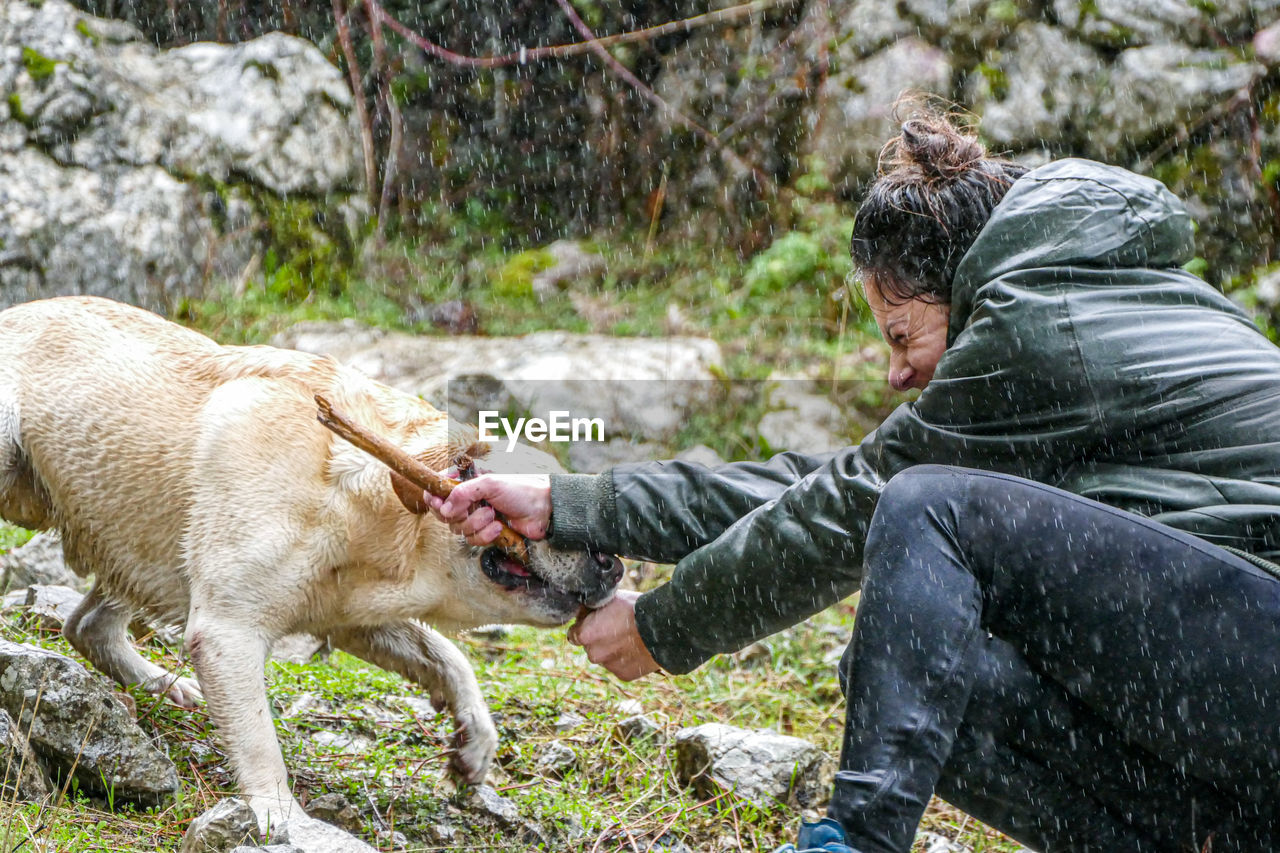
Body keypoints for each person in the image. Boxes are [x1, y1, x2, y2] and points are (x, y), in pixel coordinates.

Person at [430, 103, 1280, 852]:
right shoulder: (1098, 290)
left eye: (903, 336)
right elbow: (835, 488)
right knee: (914, 673)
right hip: (1240, 697)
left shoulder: (1037, 328)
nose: (898, 375)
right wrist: (576, 504)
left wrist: (660, 626)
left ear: (959, 288)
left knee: (924, 508)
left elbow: (860, 505)